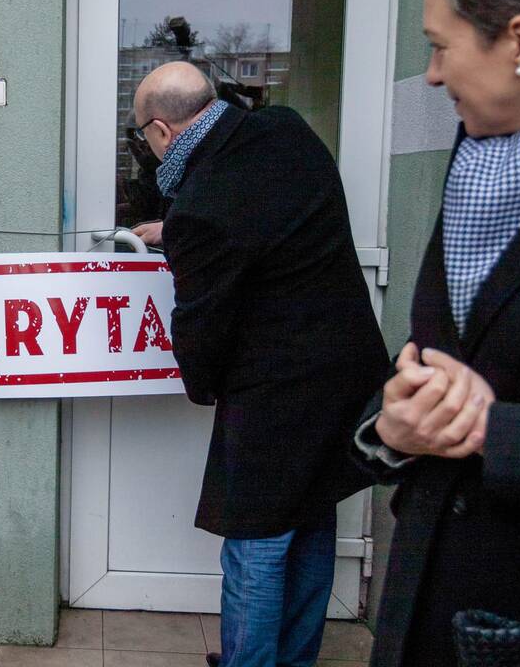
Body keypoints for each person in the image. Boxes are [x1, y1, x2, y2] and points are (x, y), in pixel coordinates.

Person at [133, 61, 388, 667]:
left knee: (256, 541)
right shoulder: (285, 131)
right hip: (348, 368)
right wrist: (176, 231)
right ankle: (296, 658)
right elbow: (264, 220)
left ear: (163, 131)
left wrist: (202, 384)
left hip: (277, 391)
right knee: (313, 514)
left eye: (144, 137)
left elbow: (203, 328)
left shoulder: (200, 208)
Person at [352, 0, 520, 665]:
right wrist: (393, 427)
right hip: (425, 604)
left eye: (440, 49)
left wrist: (491, 431)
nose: (432, 76)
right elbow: (438, 354)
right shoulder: (480, 161)